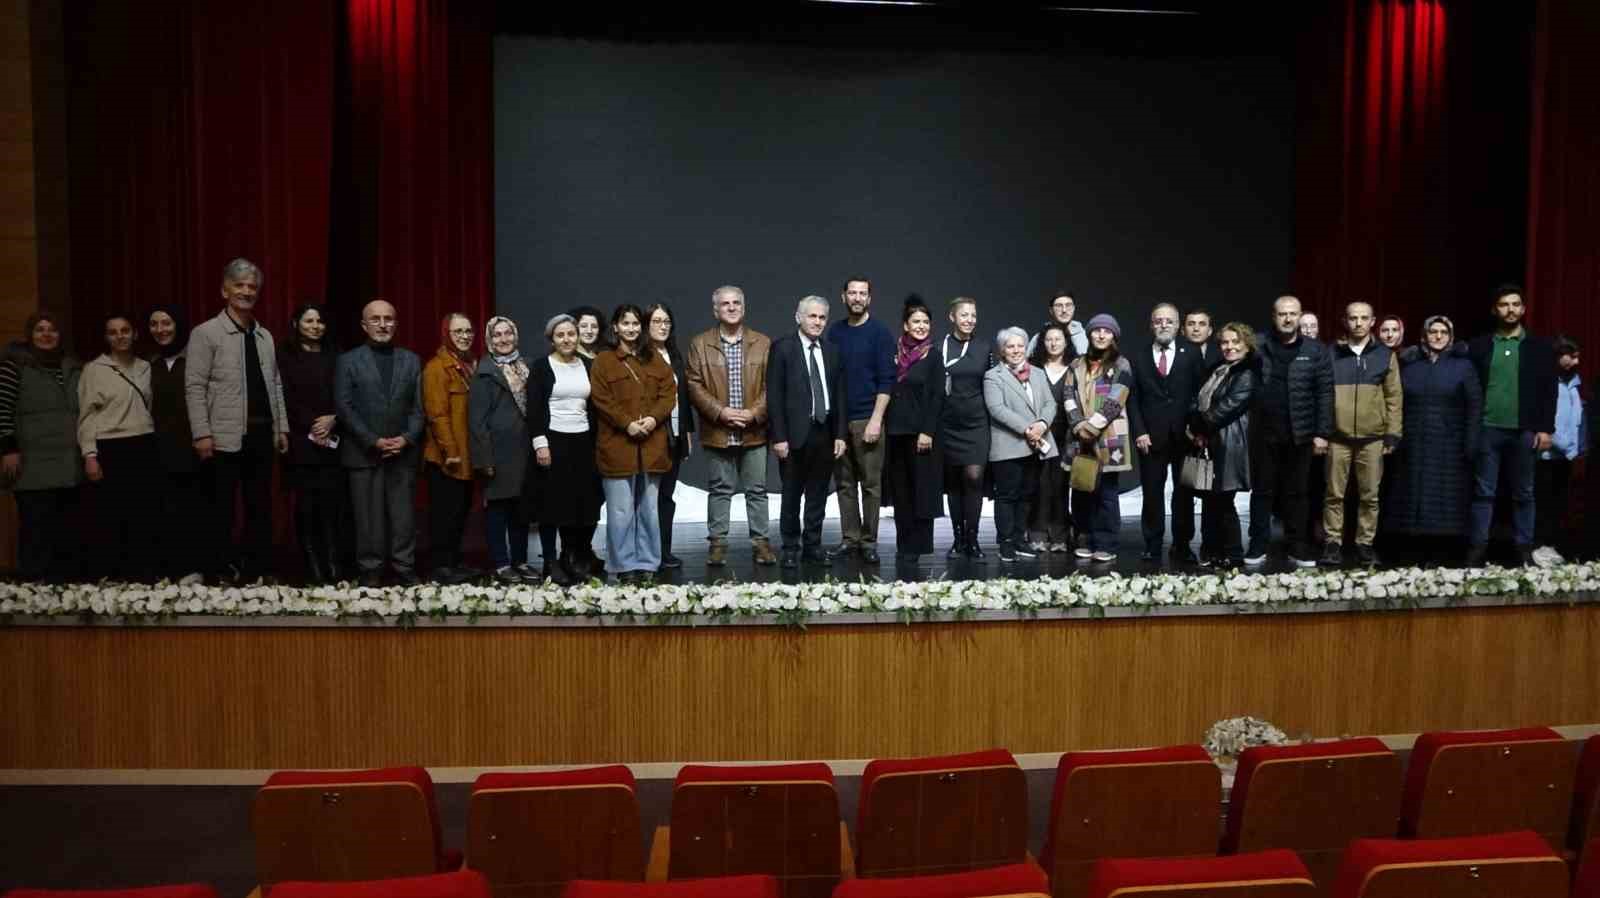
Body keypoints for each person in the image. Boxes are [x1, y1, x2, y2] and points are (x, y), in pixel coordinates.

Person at [186, 257, 290, 582]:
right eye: (239, 285)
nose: (246, 291)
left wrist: (281, 427)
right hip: (223, 436)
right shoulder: (206, 333)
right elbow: (194, 386)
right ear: (225, 290)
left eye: (252, 287)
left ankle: (256, 571)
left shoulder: (265, 336)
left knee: (260, 508)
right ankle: (219, 570)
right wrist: (202, 433)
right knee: (222, 510)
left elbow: (275, 383)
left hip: (261, 434)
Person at [1464, 285, 1558, 567]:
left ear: (1523, 309)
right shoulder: (1479, 346)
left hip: (1524, 431)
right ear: (1496, 310)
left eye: (1516, 304)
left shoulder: (1539, 348)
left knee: (1524, 493)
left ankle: (1524, 550)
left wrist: (1545, 429)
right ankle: (1476, 549)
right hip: (1488, 429)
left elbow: (1548, 390)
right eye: (1504, 304)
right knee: (1483, 493)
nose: (1510, 310)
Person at [684, 285, 775, 567]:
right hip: (718, 429)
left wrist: (753, 413)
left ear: (744, 308)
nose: (732, 307)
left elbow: (772, 385)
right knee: (720, 489)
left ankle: (761, 544)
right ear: (716, 310)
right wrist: (721, 413)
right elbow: (693, 384)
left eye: (737, 303)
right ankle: (718, 544)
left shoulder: (763, 342)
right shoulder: (700, 344)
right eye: (726, 304)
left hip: (754, 429)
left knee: (757, 490)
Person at [336, 299, 424, 586]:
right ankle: (370, 570)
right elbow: (344, 406)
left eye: (388, 318)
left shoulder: (411, 360)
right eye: (375, 319)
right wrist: (372, 440)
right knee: (367, 518)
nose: (383, 324)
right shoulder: (347, 361)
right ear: (364, 325)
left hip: (402, 451)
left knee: (403, 518)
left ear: (396, 324)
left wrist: (407, 438)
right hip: (363, 453)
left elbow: (419, 407)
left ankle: (403, 567)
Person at [1380, 316, 1481, 560]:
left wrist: (1470, 443)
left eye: (1443, 332)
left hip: (1450, 445)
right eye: (1433, 332)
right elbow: (1396, 402)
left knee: (1446, 500)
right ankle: (1411, 548)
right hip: (1413, 443)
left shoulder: (1463, 366)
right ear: (1424, 336)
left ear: (1450, 336)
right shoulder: (1409, 365)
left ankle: (1445, 550)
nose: (1437, 337)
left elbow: (1475, 406)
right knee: (1410, 495)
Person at [590, 304, 675, 583]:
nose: (631, 328)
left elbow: (668, 393)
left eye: (636, 323)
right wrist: (626, 423)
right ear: (615, 327)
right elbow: (602, 399)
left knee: (649, 509)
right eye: (625, 323)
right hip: (617, 445)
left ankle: (648, 564)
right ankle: (624, 566)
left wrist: (652, 419)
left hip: (651, 446)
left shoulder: (654, 359)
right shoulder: (604, 360)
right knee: (620, 511)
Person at [1246, 295, 1332, 567]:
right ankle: (1258, 545)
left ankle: (1298, 546)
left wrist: (1322, 432)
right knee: (1262, 491)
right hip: (1264, 432)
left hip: (1301, 433)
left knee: (1298, 493)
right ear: (1274, 317)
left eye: (1293, 314)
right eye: (1282, 314)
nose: (1287, 319)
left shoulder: (1316, 350)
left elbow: (1325, 393)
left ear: (1299, 316)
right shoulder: (1258, 346)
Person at [1, 312, 82, 580]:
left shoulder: (73, 366)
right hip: (32, 465)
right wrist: (8, 449)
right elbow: (2, 410)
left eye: (52, 329)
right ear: (30, 335)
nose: (46, 334)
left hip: (69, 464)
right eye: (40, 329)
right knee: (36, 533)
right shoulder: (14, 365)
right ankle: (33, 595)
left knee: (66, 534)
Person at [767, 295, 847, 568]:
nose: (817, 322)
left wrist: (840, 434)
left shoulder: (833, 350)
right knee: (790, 495)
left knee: (818, 495)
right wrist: (779, 437)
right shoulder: (783, 349)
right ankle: (790, 546)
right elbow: (775, 397)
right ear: (799, 317)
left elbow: (839, 395)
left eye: (822, 317)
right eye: (812, 316)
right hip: (793, 436)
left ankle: (812, 545)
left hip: (824, 433)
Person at [1323, 301, 1402, 566]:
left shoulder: (1385, 355)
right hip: (1337, 437)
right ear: (1345, 321)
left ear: (1372, 321)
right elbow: (1322, 395)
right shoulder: (1331, 353)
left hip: (1373, 439)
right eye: (1353, 318)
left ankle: (1364, 545)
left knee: (1370, 496)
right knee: (1334, 495)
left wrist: (1392, 434)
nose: (1358, 323)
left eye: (1364, 318)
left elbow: (1394, 397)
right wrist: (1322, 431)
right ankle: (1332, 543)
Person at [78, 314, 157, 580]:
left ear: (135, 334)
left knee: (142, 514)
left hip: (144, 443)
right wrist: (90, 455)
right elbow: (86, 416)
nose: (120, 336)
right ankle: (113, 579)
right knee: (112, 516)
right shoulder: (93, 369)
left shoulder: (146, 367)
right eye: (113, 332)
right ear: (106, 338)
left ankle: (141, 578)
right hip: (110, 447)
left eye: (125, 330)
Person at [526, 314, 604, 584]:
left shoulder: (589, 365)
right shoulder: (541, 367)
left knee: (583, 503)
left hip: (583, 442)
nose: (567, 339)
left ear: (578, 336)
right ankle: (550, 562)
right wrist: (540, 445)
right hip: (553, 442)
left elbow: (595, 407)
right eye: (560, 335)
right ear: (552, 339)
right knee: (553, 505)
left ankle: (573, 557)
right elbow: (534, 409)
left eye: (571, 333)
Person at [824, 277, 895, 564]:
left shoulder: (879, 332)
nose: (857, 297)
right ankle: (850, 539)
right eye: (852, 293)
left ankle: (869, 541)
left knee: (870, 485)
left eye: (862, 293)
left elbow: (887, 381)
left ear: (869, 298)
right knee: (844, 483)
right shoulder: (835, 332)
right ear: (843, 297)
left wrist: (876, 420)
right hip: (840, 421)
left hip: (868, 417)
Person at [1127, 302, 1202, 564]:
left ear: (1178, 326)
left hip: (1186, 438)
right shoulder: (1138, 356)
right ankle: (1153, 544)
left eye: (1169, 321)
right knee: (1152, 493)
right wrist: (1139, 432)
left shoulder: (1191, 353)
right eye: (1158, 321)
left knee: (1185, 494)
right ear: (1151, 325)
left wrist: (1197, 429)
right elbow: (1132, 399)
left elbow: (1199, 394)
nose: (1163, 325)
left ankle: (1182, 545)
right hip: (1150, 438)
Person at [277, 304, 345, 584]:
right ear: (296, 323)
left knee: (332, 506)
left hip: (333, 439)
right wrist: (312, 424)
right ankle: (312, 566)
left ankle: (333, 563)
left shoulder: (336, 355)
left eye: (320, 321)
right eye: (309, 320)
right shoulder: (285, 355)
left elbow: (345, 393)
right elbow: (284, 396)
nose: (315, 326)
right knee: (306, 506)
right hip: (301, 441)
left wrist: (333, 419)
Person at [1061, 314, 1135, 563]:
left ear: (1114, 336)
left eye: (1107, 331)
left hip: (1108, 438)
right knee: (1082, 490)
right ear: (1090, 334)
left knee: (1106, 493)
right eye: (1097, 331)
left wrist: (1091, 428)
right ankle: (1086, 538)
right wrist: (1078, 424)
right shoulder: (1076, 364)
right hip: (1079, 437)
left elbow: (1116, 399)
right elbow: (1068, 395)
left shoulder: (1122, 365)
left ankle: (1106, 543)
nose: (1102, 335)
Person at [1187, 323, 1259, 567]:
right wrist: (1195, 422)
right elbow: (1199, 400)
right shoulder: (1219, 370)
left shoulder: (1247, 373)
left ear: (1247, 345)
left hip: (1229, 444)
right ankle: (1211, 550)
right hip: (1208, 442)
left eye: (1235, 342)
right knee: (1210, 499)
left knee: (1224, 501)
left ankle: (1234, 554)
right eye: (1225, 343)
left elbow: (1228, 407)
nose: (1229, 347)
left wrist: (1199, 424)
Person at [471, 316, 536, 584]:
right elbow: (477, 421)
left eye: (508, 333)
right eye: (497, 335)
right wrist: (484, 458)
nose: (503, 339)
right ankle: (501, 563)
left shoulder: (526, 366)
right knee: (498, 511)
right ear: (489, 340)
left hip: (523, 451)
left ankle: (520, 561)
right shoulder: (485, 372)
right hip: (497, 453)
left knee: (520, 510)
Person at [984, 326, 1058, 562]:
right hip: (1009, 445)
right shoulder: (993, 376)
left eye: (1020, 346)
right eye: (1010, 346)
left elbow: (1050, 403)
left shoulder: (1037, 373)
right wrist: (1028, 429)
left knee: (1027, 495)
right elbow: (997, 409)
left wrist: (1042, 425)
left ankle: (1019, 539)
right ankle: (1005, 542)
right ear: (1002, 350)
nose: (1016, 350)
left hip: (1036, 444)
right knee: (1007, 496)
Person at [147, 306, 205, 584]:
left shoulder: (196, 360)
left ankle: (197, 568)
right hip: (159, 449)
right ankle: (171, 569)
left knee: (195, 509)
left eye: (166, 323)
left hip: (195, 447)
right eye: (154, 324)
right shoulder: (149, 365)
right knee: (165, 510)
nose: (161, 329)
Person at [883, 296, 944, 564]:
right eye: (916, 322)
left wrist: (927, 431)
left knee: (922, 490)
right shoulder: (894, 352)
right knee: (901, 492)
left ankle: (919, 546)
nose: (921, 326)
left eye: (925, 322)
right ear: (905, 325)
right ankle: (903, 545)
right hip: (896, 431)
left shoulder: (933, 354)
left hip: (922, 434)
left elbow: (936, 396)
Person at [423, 313, 477, 583]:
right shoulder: (437, 367)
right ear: (446, 334)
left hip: (467, 455)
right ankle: (441, 565)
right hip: (447, 457)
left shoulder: (469, 366)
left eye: (468, 331)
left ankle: (454, 561)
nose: (464, 336)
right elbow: (437, 414)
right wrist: (450, 451)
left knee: (460, 512)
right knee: (445, 513)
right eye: (458, 332)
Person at [938, 297, 992, 559]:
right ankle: (958, 539)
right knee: (954, 483)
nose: (969, 319)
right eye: (964, 315)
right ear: (952, 317)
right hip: (948, 424)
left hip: (976, 423)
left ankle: (973, 538)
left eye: (973, 315)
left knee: (973, 478)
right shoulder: (940, 347)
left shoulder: (984, 348)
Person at [645, 302, 695, 569]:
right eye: (656, 321)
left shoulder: (674, 355)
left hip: (675, 436)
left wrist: (687, 431)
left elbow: (683, 397)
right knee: (647, 498)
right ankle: (647, 552)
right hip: (651, 437)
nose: (662, 326)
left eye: (666, 322)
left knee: (666, 496)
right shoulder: (641, 356)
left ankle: (664, 551)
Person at [1026, 323, 1075, 553]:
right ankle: (1036, 532)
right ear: (1042, 343)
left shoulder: (1075, 368)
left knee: (1061, 484)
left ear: (1066, 342)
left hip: (1067, 434)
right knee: (1038, 484)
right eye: (1049, 339)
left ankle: (1060, 535)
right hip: (1039, 434)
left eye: (1058, 339)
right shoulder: (1033, 368)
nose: (1054, 343)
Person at [1535, 335, 1584, 557]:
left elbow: (1575, 419)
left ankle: (1552, 545)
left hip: (1566, 456)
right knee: (1544, 501)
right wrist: (1564, 445)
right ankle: (1539, 546)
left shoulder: (1573, 384)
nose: (1576, 362)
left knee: (1559, 503)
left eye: (1577, 357)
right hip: (1547, 455)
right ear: (1557, 356)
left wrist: (1576, 447)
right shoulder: (1547, 381)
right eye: (1571, 357)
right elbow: (1547, 417)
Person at [1026, 292, 1088, 359]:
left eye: (1068, 305)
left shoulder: (1086, 337)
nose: (1064, 310)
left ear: (1074, 308)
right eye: (1059, 306)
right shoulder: (1039, 338)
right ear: (1051, 310)